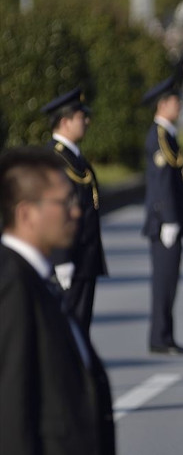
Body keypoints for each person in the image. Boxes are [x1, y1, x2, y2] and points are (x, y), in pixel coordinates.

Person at [0, 147, 115, 455]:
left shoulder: (37, 277)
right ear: (26, 214)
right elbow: (11, 412)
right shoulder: (12, 286)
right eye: (63, 202)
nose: (76, 210)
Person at [43, 87, 107, 335]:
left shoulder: (75, 156)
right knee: (69, 330)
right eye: (82, 117)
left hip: (84, 256)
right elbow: (53, 210)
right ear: (65, 121)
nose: (87, 122)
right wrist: (61, 257)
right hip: (70, 257)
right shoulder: (54, 159)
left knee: (81, 327)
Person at [142, 76, 183, 355]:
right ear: (163, 105)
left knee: (169, 280)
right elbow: (162, 181)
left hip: (169, 220)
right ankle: (160, 337)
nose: (180, 105)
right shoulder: (159, 136)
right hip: (164, 221)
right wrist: (169, 218)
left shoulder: (168, 134)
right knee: (164, 281)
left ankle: (165, 335)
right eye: (175, 101)